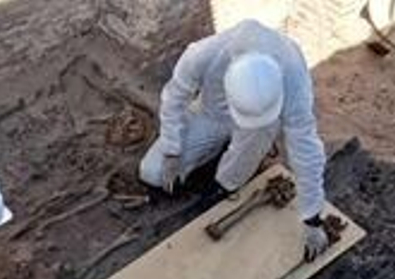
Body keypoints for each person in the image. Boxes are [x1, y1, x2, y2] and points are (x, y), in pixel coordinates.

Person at [139, 19, 331, 262]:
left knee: (252, 144)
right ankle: (215, 153)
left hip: (260, 129)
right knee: (152, 172)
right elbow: (174, 99)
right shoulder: (203, 54)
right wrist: (171, 150)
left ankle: (225, 183)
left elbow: (305, 148)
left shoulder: (293, 77)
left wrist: (312, 219)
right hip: (213, 114)